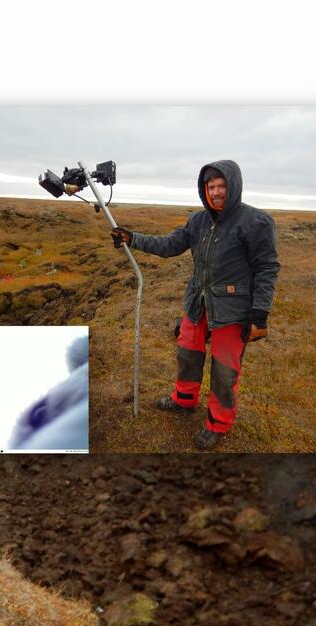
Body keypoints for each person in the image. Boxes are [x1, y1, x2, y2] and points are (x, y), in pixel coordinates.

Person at [111, 160, 279, 450]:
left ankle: (218, 423)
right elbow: (169, 245)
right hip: (197, 304)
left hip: (233, 312)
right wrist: (132, 238)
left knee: (225, 371)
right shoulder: (197, 221)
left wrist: (259, 314)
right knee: (187, 354)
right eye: (211, 186)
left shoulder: (256, 222)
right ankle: (184, 400)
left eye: (221, 185)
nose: (216, 191)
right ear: (204, 189)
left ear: (233, 186)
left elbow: (267, 268)